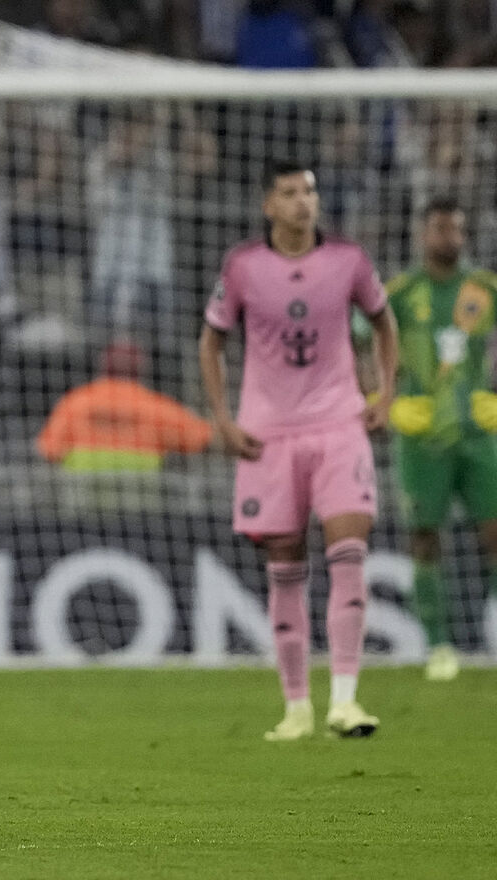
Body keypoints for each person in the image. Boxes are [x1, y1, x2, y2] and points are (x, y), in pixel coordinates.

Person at [198, 158, 399, 742]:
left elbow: (385, 326)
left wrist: (384, 394)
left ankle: (345, 701)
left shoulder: (349, 260)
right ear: (269, 205)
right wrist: (223, 419)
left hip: (339, 426)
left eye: (308, 191)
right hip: (268, 435)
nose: (302, 202)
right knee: (285, 569)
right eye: (288, 193)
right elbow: (210, 346)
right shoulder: (242, 267)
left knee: (349, 553)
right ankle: (296, 708)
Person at [383, 195, 497, 681]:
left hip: (477, 432)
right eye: (440, 229)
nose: (448, 237)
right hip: (421, 436)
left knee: (494, 534)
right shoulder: (401, 293)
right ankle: (437, 647)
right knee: (424, 538)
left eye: (456, 229)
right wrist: (383, 399)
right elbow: (360, 342)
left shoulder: (484, 288)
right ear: (422, 234)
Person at [35, 340, 213, 472]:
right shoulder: (155, 407)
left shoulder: (76, 402)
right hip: (143, 510)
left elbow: (48, 449)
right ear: (141, 368)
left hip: (81, 511)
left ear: (103, 365)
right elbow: (203, 438)